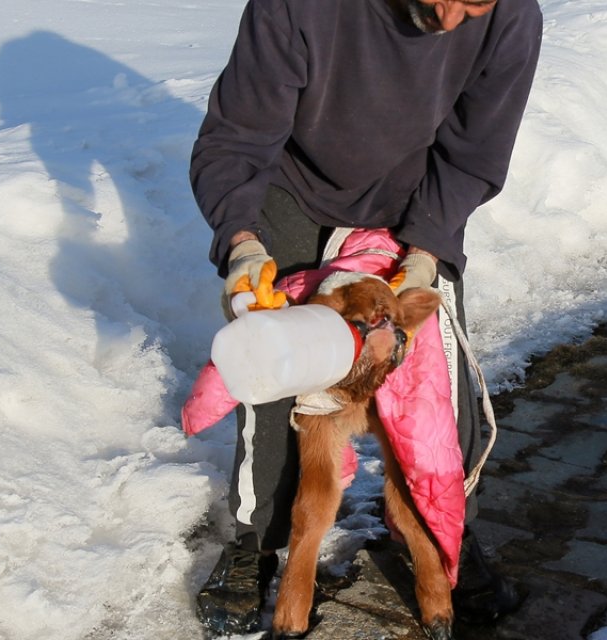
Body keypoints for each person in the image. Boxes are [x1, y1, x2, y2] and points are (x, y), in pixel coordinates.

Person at [188, 0, 542, 634]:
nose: (456, 17)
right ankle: (259, 537)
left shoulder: (511, 15)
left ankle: (444, 528)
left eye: (477, 4)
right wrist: (243, 242)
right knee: (276, 360)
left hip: (417, 200)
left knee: (437, 384)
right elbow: (238, 136)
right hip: (296, 189)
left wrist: (429, 246)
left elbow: (475, 152)